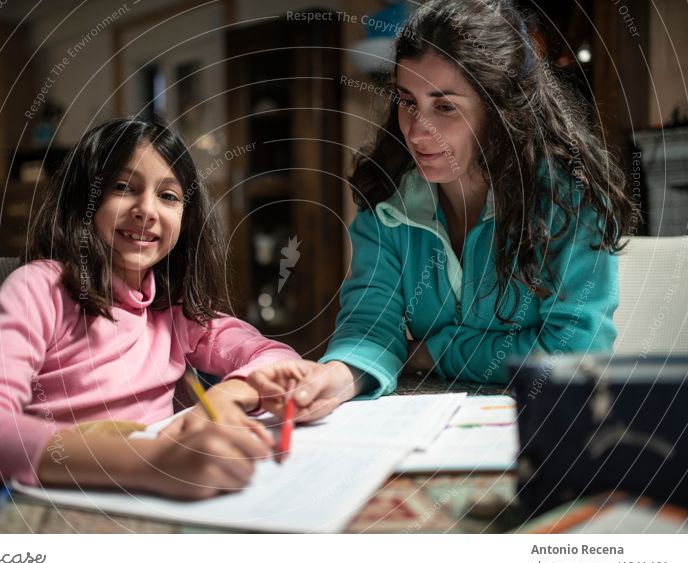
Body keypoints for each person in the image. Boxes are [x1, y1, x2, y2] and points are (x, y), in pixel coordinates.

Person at [249, 0, 637, 421]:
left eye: (445, 106)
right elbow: (370, 323)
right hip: (427, 426)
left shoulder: (570, 202)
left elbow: (574, 355)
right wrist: (336, 376)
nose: (417, 130)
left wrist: (434, 352)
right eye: (407, 101)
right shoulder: (387, 202)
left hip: (551, 423)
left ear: (500, 109)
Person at [0, 117, 300, 500]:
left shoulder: (174, 307)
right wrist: (151, 462)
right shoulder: (41, 288)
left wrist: (228, 395)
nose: (147, 210)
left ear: (186, 220)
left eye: (169, 196)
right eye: (123, 187)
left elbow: (275, 358)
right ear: (83, 201)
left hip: (165, 496)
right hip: (71, 498)